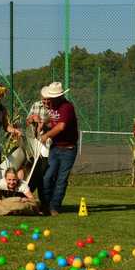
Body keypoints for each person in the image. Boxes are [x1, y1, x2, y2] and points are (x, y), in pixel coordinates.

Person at [39, 82, 78, 216]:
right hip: (55, 147)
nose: (48, 99)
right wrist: (43, 124)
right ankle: (46, 205)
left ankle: (54, 206)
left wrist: (46, 135)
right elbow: (53, 122)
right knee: (47, 177)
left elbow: (61, 126)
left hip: (68, 149)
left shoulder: (66, 107)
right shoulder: (53, 106)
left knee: (61, 179)